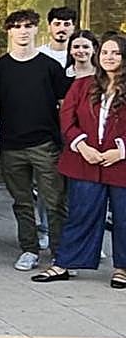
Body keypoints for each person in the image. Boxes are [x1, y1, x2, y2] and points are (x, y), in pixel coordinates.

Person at [32, 34, 126, 288]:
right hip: (86, 161)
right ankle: (64, 263)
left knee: (123, 217)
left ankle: (122, 268)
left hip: (120, 164)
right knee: (81, 214)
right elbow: (67, 118)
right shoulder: (83, 85)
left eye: (115, 53)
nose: (109, 57)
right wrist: (82, 146)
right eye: (105, 52)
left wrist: (120, 151)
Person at [0, 9, 69, 271]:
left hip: (45, 144)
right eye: (17, 26)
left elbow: (63, 104)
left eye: (28, 26)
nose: (23, 31)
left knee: (55, 202)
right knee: (22, 203)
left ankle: (60, 253)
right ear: (9, 31)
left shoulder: (50, 66)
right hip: (11, 145)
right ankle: (29, 249)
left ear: (36, 29)